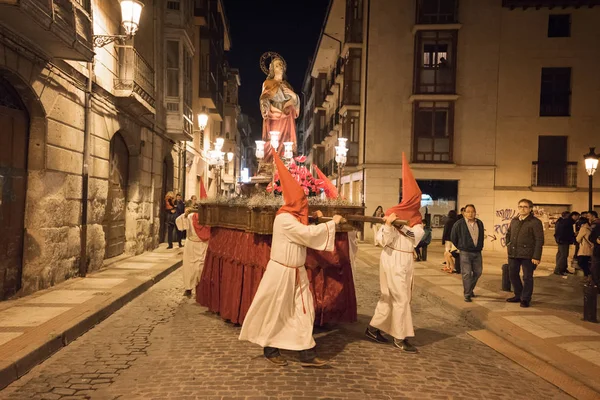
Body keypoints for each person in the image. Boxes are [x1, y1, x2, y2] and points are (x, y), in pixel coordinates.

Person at [239, 152, 342, 367]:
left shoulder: (293, 218)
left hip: (297, 272)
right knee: (277, 310)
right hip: (282, 273)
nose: (305, 205)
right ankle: (270, 348)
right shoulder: (285, 219)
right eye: (302, 201)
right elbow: (307, 235)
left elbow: (305, 229)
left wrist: (319, 220)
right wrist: (333, 224)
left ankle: (307, 353)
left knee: (304, 311)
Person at [365, 153, 424, 353]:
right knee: (400, 298)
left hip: (405, 260)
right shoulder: (393, 213)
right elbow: (382, 240)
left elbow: (416, 237)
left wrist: (398, 225)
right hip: (391, 258)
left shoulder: (416, 220)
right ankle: (400, 337)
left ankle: (373, 329)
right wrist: (389, 226)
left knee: (391, 298)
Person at [259, 54, 300, 162]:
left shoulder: (288, 85)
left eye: (281, 65)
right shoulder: (267, 83)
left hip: (287, 119)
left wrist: (294, 95)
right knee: (272, 141)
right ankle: (272, 161)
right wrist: (268, 109)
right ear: (272, 69)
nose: (280, 67)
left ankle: (286, 161)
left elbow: (295, 104)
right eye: (277, 65)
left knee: (286, 141)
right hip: (274, 116)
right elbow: (264, 98)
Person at [505, 199, 544, 308]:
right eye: (520, 206)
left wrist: (536, 256)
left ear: (530, 209)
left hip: (528, 255)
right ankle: (518, 295)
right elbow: (508, 233)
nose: (522, 209)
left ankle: (525, 299)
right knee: (512, 275)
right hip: (513, 253)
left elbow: (539, 240)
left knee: (527, 277)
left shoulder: (535, 222)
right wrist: (508, 243)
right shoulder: (515, 220)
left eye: (525, 207)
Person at [176, 179, 210, 298]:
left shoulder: (209, 219)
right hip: (191, 245)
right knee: (189, 267)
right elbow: (180, 224)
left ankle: (200, 289)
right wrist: (185, 216)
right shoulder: (190, 216)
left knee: (200, 267)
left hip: (203, 245)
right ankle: (188, 288)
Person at [450, 204, 485, 302]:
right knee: (466, 273)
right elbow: (453, 237)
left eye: (472, 211)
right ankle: (467, 294)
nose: (470, 213)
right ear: (464, 213)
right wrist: (461, 246)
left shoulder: (480, 223)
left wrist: (480, 246)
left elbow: (481, 236)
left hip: (477, 252)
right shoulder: (459, 224)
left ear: (475, 212)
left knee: (478, 272)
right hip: (465, 252)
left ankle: (469, 289)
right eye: (468, 211)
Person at [554, 211, 579, 275]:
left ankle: (562, 268)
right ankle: (558, 270)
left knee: (560, 254)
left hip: (560, 240)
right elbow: (567, 232)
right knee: (563, 255)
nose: (578, 218)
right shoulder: (568, 222)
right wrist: (574, 235)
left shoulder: (560, 221)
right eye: (577, 216)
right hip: (564, 240)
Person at [576, 211, 594, 279]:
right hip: (589, 247)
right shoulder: (589, 227)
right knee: (586, 262)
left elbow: (578, 239)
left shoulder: (583, 228)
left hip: (584, 248)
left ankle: (588, 275)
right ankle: (588, 275)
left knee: (581, 262)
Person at [588, 212, 600, 289]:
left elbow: (591, 237)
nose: (588, 218)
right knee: (595, 268)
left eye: (589, 216)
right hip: (598, 250)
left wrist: (595, 240)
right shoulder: (597, 224)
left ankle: (596, 285)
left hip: (597, 251)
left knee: (595, 268)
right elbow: (591, 237)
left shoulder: (596, 224)